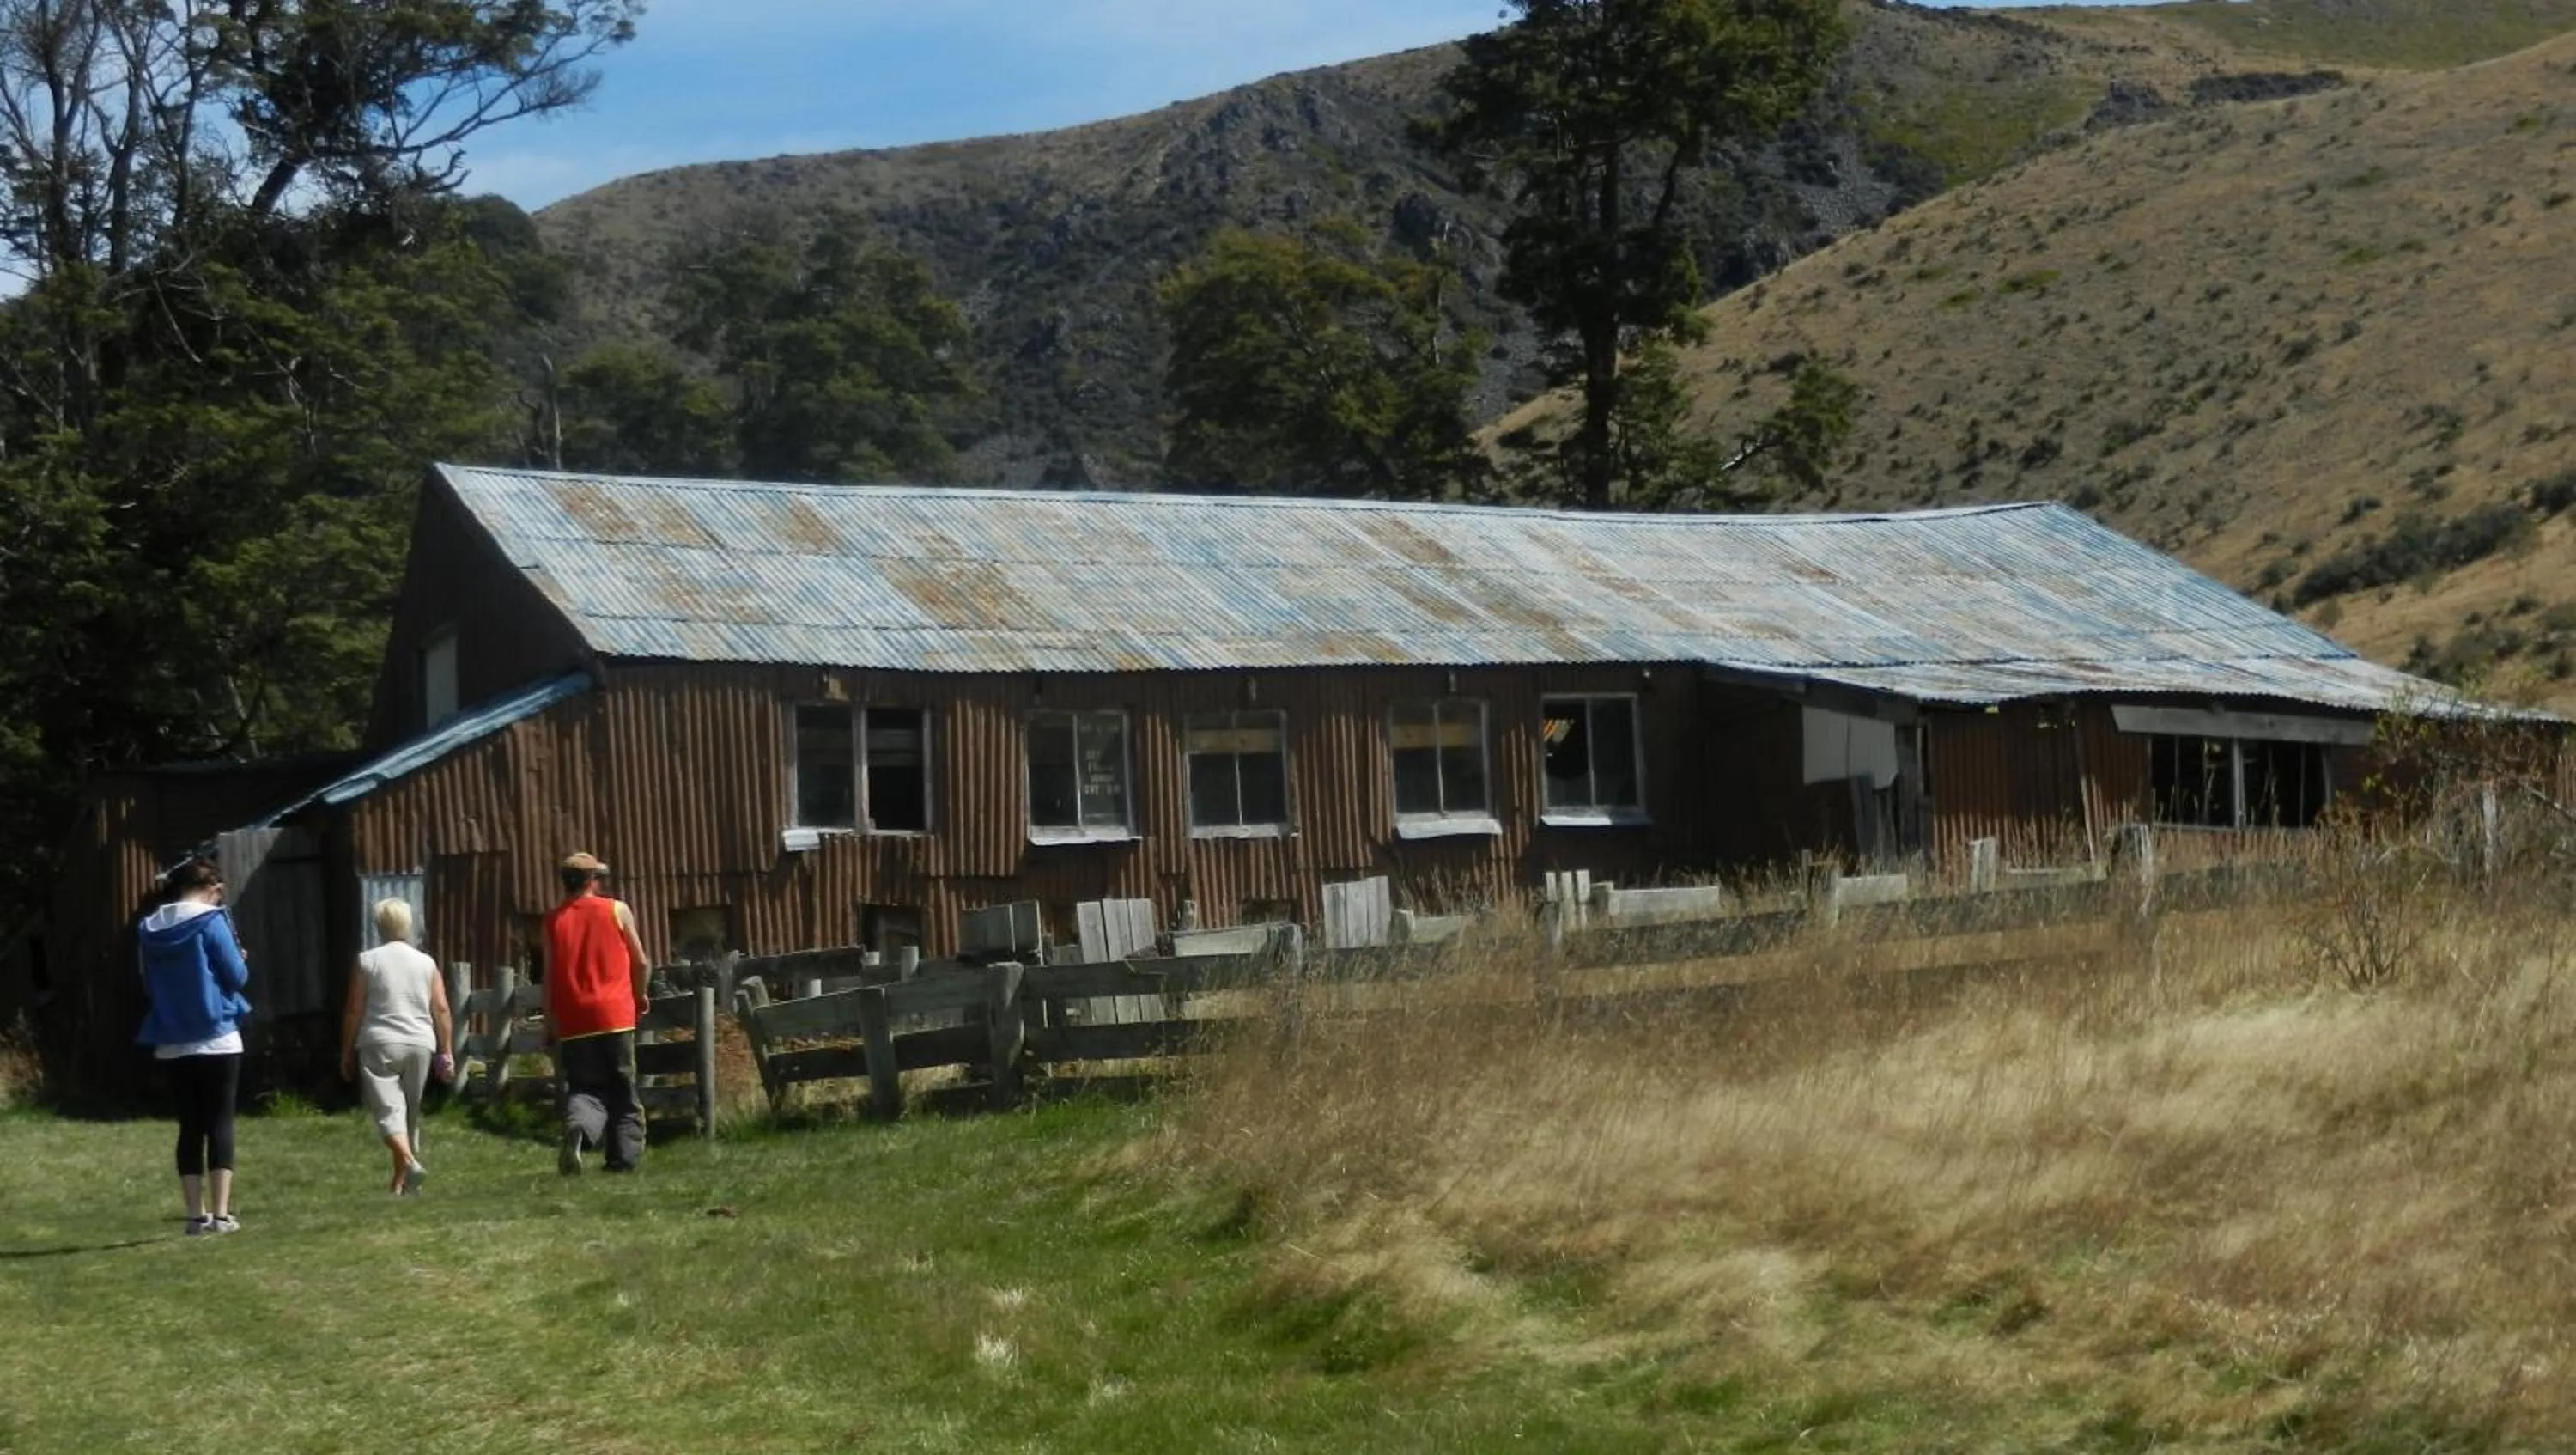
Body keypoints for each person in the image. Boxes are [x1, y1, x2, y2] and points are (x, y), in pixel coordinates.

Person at [135, 857, 250, 1236]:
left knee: (189, 1127)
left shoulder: (150, 928)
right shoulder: (211, 921)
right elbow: (236, 976)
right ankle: (221, 1214)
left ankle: (194, 1217)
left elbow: (147, 982)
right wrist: (241, 959)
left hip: (171, 1036)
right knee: (219, 1123)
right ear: (213, 888)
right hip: (216, 1034)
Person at [542, 852, 652, 1175]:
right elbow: (641, 961)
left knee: (584, 1088)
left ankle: (579, 1127)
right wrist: (639, 995)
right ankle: (622, 1159)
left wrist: (549, 1021)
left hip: (573, 1019)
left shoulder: (552, 921)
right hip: (614, 1014)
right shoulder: (616, 910)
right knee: (622, 1088)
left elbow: (549, 977)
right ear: (592, 881)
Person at [338, 898, 454, 1196]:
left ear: (379, 926)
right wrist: (446, 1050)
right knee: (409, 1115)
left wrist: (346, 1051)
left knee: (388, 1113)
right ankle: (401, 1184)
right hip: (420, 1044)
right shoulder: (426, 963)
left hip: (379, 1042)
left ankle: (411, 1164)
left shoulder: (367, 961)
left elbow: (354, 1010)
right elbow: (441, 1008)